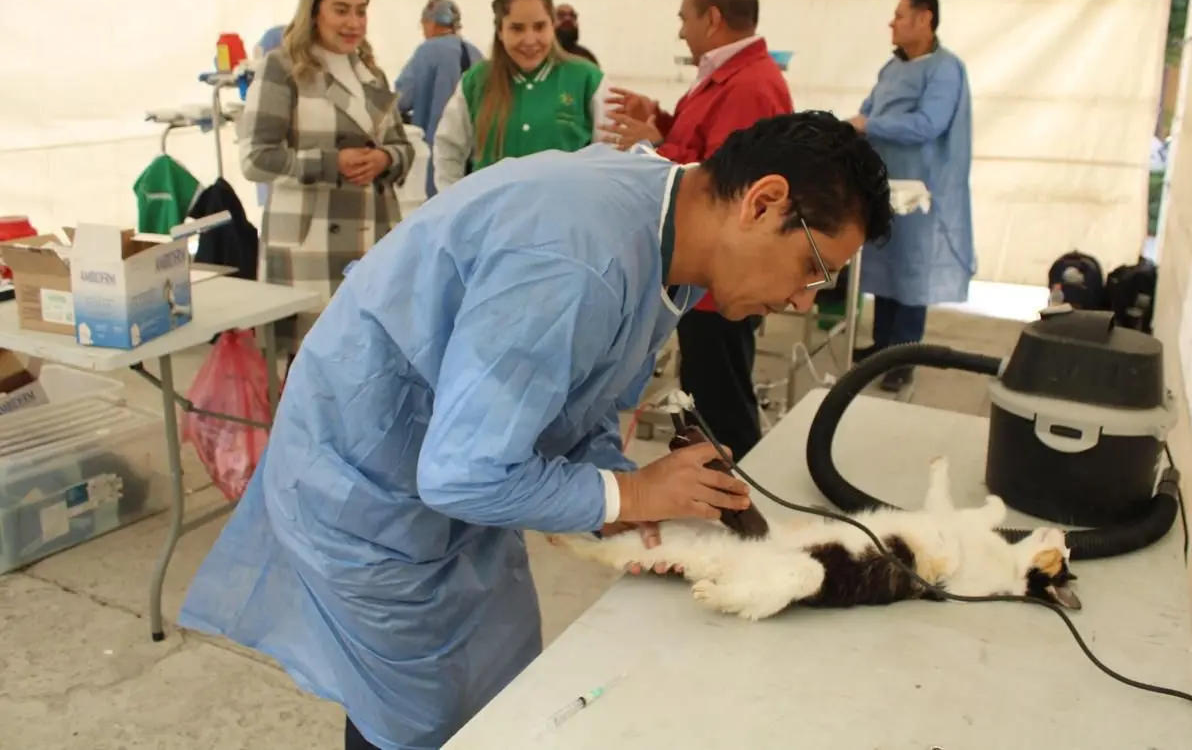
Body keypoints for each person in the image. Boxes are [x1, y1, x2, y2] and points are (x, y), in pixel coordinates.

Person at [178, 111, 893, 750]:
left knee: (502, 692)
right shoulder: (578, 254)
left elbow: (574, 395)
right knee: (416, 721)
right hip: (371, 488)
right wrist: (628, 495)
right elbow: (459, 472)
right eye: (812, 268)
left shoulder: (663, 219)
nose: (803, 298)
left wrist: (626, 491)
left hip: (458, 473)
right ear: (763, 202)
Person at [603, 0, 793, 463]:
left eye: (684, 18)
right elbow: (709, 146)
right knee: (706, 392)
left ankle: (747, 497)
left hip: (720, 278)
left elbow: (724, 188)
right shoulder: (729, 77)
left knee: (720, 401)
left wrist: (651, 144)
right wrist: (662, 120)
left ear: (712, 18)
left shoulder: (749, 85)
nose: (680, 30)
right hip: (706, 277)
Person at [238, 0, 415, 361]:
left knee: (371, 357)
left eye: (361, 10)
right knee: (314, 365)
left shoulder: (371, 73)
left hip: (374, 238)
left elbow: (404, 147)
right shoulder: (282, 68)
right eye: (341, 10)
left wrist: (385, 158)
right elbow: (256, 158)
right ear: (314, 10)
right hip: (311, 245)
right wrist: (333, 163)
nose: (354, 22)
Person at [848, 0, 975, 393]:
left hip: (921, 190)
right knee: (886, 263)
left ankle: (904, 357)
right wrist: (857, 125)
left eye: (900, 15)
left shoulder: (944, 70)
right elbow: (869, 108)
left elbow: (928, 124)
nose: (893, 22)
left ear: (925, 19)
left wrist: (871, 126)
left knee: (912, 272)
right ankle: (882, 346)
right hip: (885, 184)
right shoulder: (893, 67)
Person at [431, 0, 608, 191]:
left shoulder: (587, 79)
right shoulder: (476, 82)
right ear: (500, 31)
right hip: (492, 220)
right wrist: (455, 204)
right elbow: (448, 151)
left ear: (553, 26)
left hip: (566, 220)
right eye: (517, 28)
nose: (530, 40)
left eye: (540, 27)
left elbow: (610, 159)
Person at [393, 0, 484, 198]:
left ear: (430, 23)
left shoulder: (427, 52)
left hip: (438, 151)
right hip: (476, 152)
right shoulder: (475, 53)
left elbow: (400, 99)